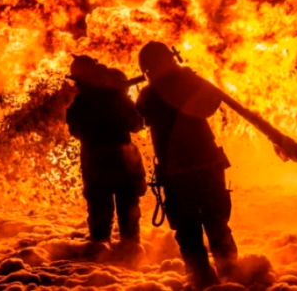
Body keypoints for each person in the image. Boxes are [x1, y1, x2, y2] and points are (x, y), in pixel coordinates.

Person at [135, 41, 237, 287]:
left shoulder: (150, 94)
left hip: (180, 173)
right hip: (204, 167)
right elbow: (212, 104)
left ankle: (206, 280)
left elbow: (138, 118)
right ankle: (232, 277)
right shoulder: (186, 85)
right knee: (215, 224)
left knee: (191, 232)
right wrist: (191, 80)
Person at [66, 55, 147, 253]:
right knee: (127, 215)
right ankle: (129, 260)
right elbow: (137, 124)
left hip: (96, 164)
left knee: (100, 217)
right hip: (123, 163)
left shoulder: (81, 101)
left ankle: (102, 262)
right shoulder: (116, 96)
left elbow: (75, 130)